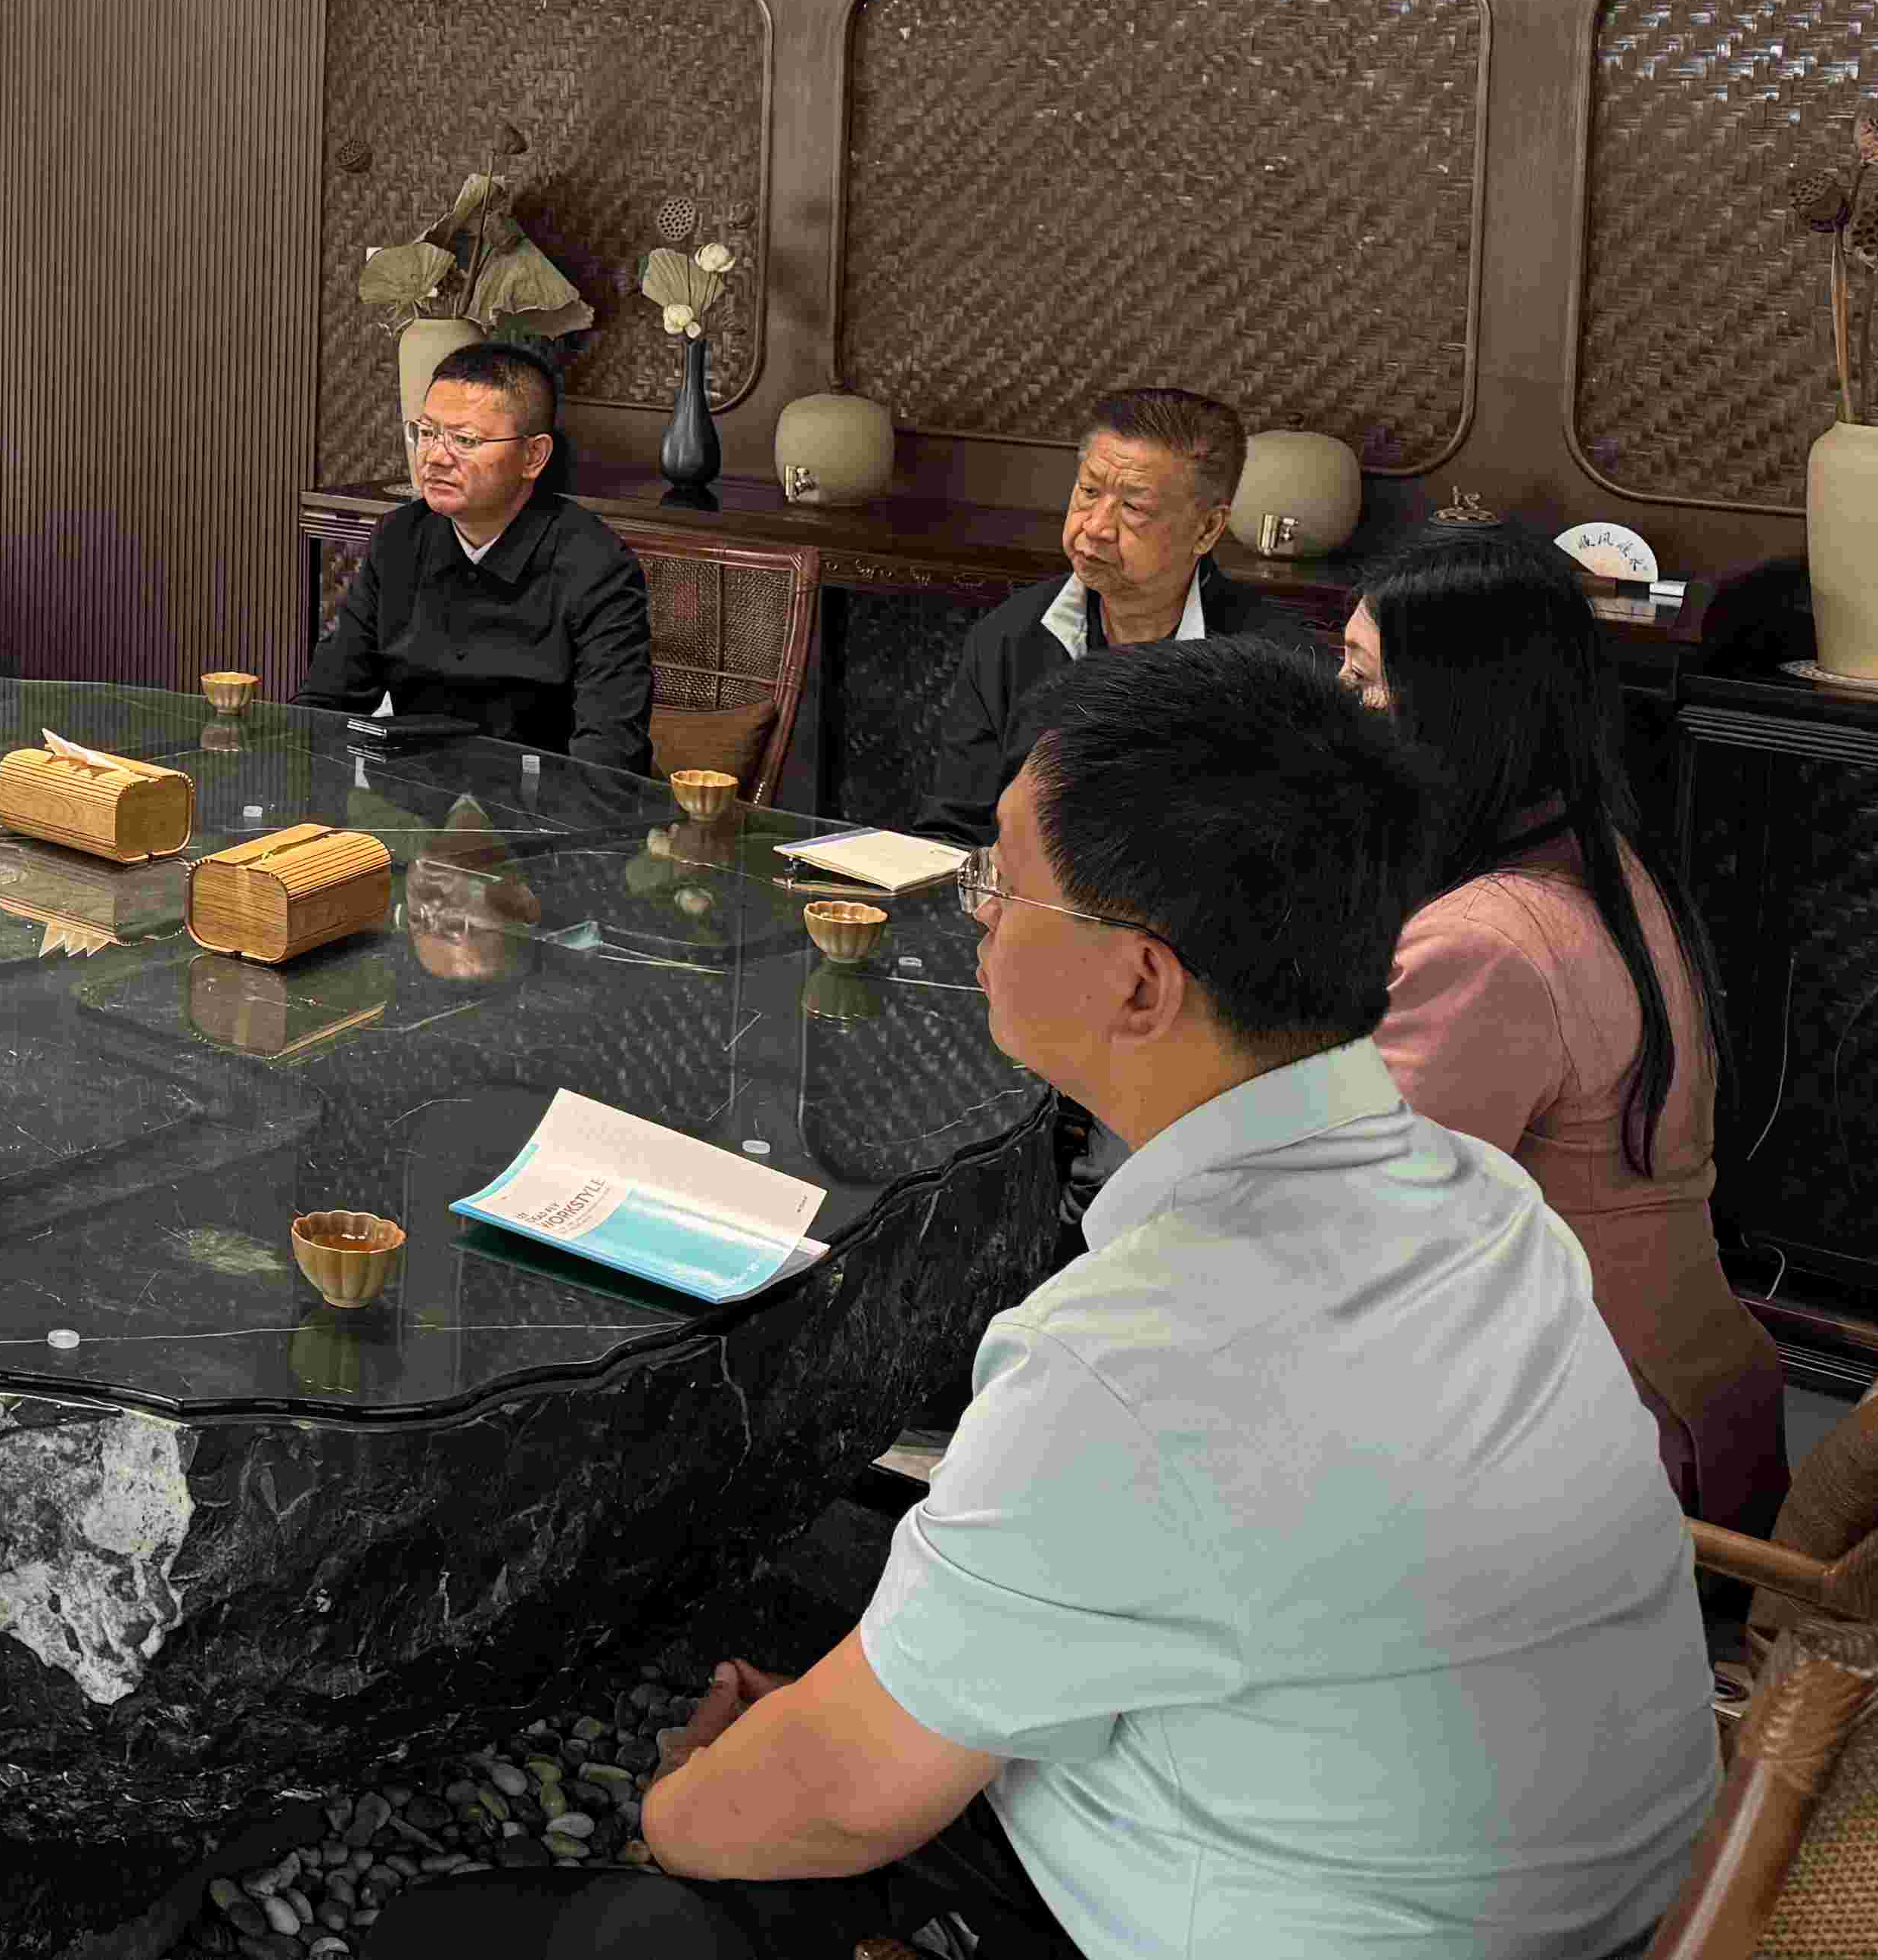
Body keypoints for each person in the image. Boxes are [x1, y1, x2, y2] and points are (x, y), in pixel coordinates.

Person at [378, 639, 1720, 1958]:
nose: (976, 910)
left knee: (457, 1927)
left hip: (1275, 1916)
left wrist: (670, 1812)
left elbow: (836, 1797)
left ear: (1140, 979)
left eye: (1004, 881)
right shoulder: (1486, 1204)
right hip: (1574, 1894)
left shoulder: (1132, 1366)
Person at [1347, 528, 1790, 1535]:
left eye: (1363, 681)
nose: (1339, 707)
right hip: (1691, 1403)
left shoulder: (1490, 944)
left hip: (1600, 1455)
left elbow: (1365, 1227)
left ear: (1456, 711)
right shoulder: (1597, 858)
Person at [909, 386, 1298, 844]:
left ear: (1207, 529)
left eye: (1133, 507)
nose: (1094, 527)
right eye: (1088, 491)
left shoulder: (1275, 669)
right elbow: (954, 831)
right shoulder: (1008, 638)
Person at [302, 343, 658, 775]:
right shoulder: (398, 538)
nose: (435, 457)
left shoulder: (596, 565)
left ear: (533, 456)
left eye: (465, 440)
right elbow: (325, 703)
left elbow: (610, 757)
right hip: (415, 801)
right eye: (427, 432)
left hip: (546, 808)